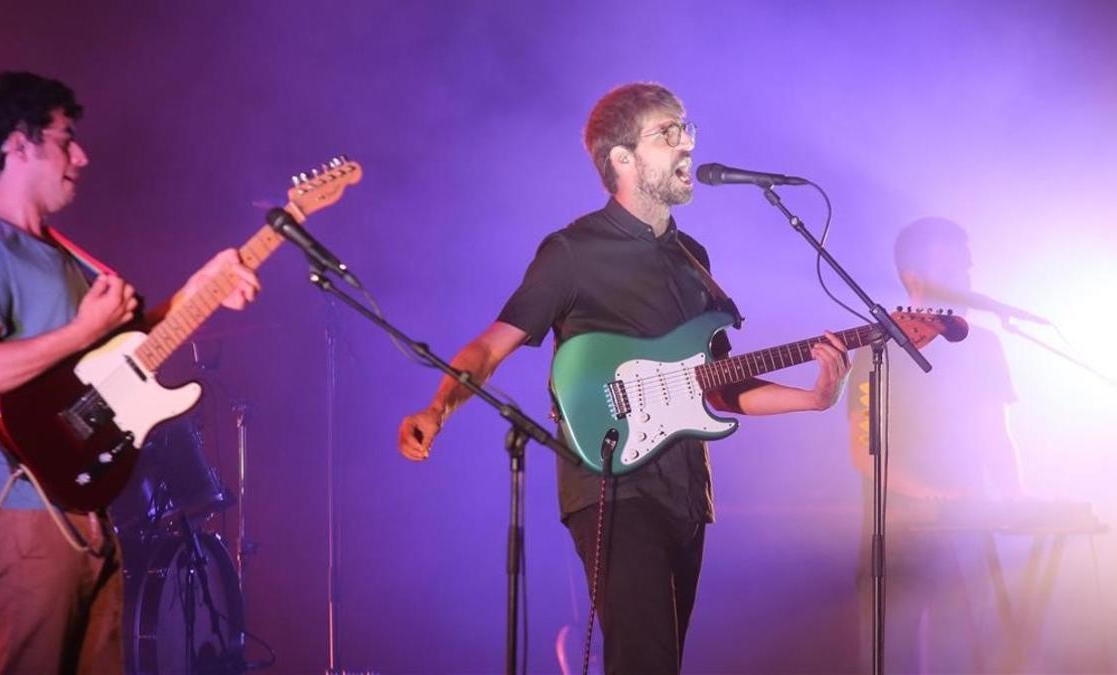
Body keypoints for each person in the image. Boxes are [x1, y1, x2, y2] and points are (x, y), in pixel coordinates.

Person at [397, 82, 851, 674]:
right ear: (622, 158)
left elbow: (720, 386)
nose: (687, 142)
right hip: (611, 481)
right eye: (670, 131)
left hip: (686, 492)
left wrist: (815, 398)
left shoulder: (694, 257)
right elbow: (489, 345)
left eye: (687, 127)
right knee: (646, 661)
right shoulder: (573, 251)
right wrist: (439, 408)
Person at [0, 71, 260, 674]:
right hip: (22, 515)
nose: (81, 156)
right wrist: (83, 330)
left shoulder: (60, 253)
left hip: (85, 512)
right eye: (66, 139)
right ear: (18, 144)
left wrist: (201, 290)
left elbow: (127, 355)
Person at [848, 217, 1023, 673]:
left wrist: (1018, 507)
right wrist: (934, 497)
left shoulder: (983, 345)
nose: (968, 272)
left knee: (970, 653)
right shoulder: (875, 348)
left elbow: (996, 438)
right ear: (913, 277)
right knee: (896, 655)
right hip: (897, 534)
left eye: (967, 263)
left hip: (969, 531)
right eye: (955, 263)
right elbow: (861, 452)